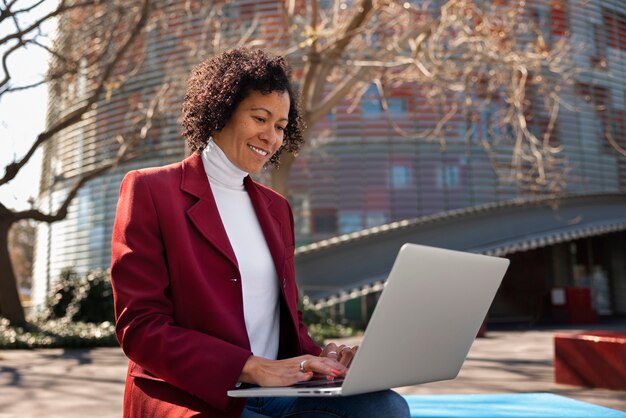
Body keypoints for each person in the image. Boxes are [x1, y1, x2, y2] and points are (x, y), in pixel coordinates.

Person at [110, 48, 410, 418]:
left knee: (386, 407)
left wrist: (325, 359)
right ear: (221, 112)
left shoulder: (276, 208)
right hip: (193, 390)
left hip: (277, 387)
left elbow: (287, 320)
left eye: (281, 126)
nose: (271, 137)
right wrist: (250, 365)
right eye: (260, 118)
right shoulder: (150, 190)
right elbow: (140, 327)